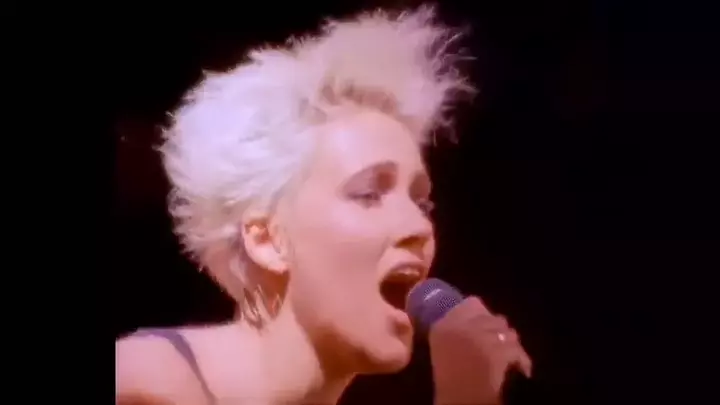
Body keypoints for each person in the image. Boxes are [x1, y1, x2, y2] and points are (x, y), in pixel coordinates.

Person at [115, 6, 531, 405]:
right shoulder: (142, 386)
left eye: (422, 203)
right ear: (266, 240)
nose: (420, 228)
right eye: (369, 194)